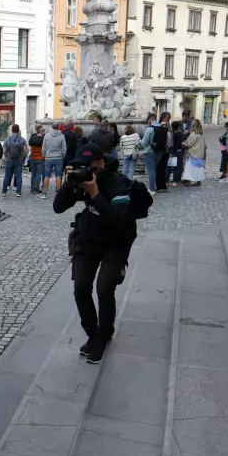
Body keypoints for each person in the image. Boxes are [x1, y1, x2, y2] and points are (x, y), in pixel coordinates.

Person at [54, 144, 153, 364]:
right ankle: (92, 333)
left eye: (88, 166)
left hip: (117, 240)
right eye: (80, 166)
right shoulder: (82, 179)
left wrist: (95, 194)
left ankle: (104, 335)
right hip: (89, 237)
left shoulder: (120, 185)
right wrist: (69, 183)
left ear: (101, 163)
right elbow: (58, 207)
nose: (85, 170)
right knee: (80, 288)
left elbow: (116, 222)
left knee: (105, 287)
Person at [42, 124, 67, 199]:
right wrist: (62, 156)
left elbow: (44, 147)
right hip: (58, 157)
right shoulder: (61, 136)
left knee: (47, 175)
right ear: (59, 127)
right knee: (58, 175)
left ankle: (44, 192)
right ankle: (59, 193)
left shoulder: (47, 135)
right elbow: (64, 148)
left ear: (52, 127)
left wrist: (44, 155)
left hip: (49, 157)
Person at [1, 124, 27, 197]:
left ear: (12, 130)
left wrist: (7, 157)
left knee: (7, 176)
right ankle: (18, 192)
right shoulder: (22, 139)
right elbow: (25, 151)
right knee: (18, 176)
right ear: (18, 130)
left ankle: (4, 192)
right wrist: (23, 158)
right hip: (19, 160)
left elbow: (4, 151)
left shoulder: (7, 139)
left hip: (10, 160)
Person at [141, 113, 163, 194]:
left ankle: (152, 189)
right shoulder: (161, 126)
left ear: (150, 119)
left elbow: (144, 142)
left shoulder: (149, 129)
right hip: (160, 151)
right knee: (155, 169)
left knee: (151, 171)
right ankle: (155, 185)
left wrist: (139, 144)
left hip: (149, 151)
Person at [181, 119, 206, 186]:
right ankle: (198, 180)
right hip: (199, 154)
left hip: (192, 154)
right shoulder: (201, 135)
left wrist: (183, 143)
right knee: (198, 168)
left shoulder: (193, 134)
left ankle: (191, 180)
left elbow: (188, 144)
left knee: (191, 167)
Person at [168, 120, 187, 187]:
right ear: (178, 126)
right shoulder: (179, 133)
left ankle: (167, 181)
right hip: (178, 152)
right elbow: (182, 141)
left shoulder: (170, 133)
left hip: (171, 152)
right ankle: (175, 181)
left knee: (169, 167)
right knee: (177, 167)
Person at [28, 125, 45, 194]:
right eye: (43, 130)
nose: (44, 131)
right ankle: (36, 188)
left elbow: (30, 145)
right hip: (40, 158)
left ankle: (32, 188)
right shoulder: (43, 139)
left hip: (33, 157)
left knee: (33, 174)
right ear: (41, 131)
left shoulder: (32, 138)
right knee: (39, 174)